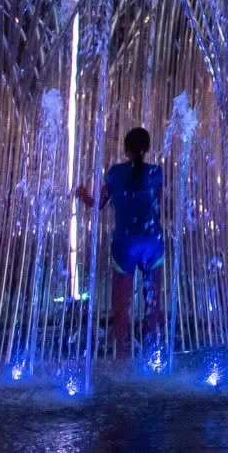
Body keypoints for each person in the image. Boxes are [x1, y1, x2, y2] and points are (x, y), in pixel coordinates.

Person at [76, 126, 164, 360]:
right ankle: (153, 356)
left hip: (124, 244)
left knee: (121, 307)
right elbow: (161, 205)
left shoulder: (115, 173)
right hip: (152, 242)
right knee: (153, 303)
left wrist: (82, 193)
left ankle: (122, 358)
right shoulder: (156, 173)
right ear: (147, 148)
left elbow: (98, 204)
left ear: (126, 149)